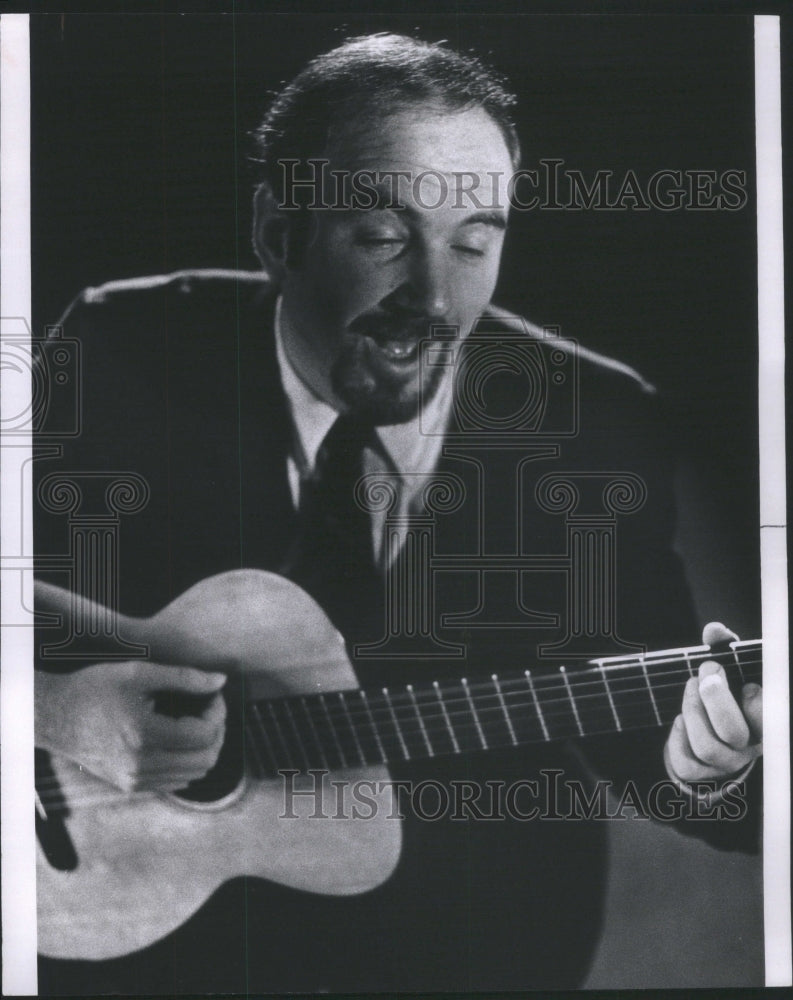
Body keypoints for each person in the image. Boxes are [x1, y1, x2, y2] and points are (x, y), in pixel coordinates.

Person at [33, 33, 762, 993]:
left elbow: (664, 745)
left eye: (474, 242)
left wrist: (716, 763)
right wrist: (49, 706)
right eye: (383, 237)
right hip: (151, 944)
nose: (432, 297)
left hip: (470, 948)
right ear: (278, 232)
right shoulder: (127, 350)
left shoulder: (592, 422)